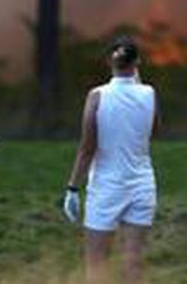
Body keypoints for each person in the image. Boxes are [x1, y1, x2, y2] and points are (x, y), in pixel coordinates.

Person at [63, 35, 160, 282]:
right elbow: (154, 131)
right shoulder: (149, 93)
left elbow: (87, 148)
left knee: (96, 262)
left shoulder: (97, 96)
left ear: (110, 61)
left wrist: (73, 187)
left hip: (106, 187)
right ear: (136, 62)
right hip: (142, 185)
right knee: (134, 261)